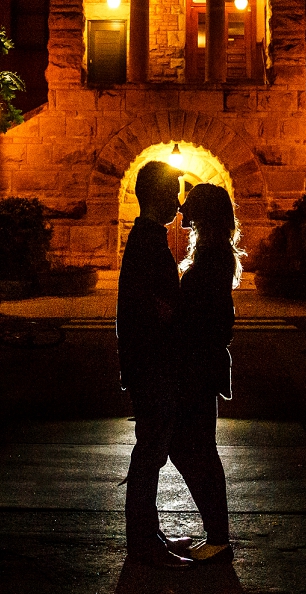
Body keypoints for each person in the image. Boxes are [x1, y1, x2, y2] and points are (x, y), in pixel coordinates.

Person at [116, 160, 192, 569]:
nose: (179, 204)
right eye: (174, 193)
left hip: (145, 364)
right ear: (158, 195)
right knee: (149, 454)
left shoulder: (144, 238)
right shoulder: (149, 243)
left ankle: (149, 534)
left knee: (150, 453)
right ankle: (144, 543)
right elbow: (160, 311)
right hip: (154, 366)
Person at [169, 182, 242, 564]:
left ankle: (218, 536)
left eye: (190, 206)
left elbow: (210, 318)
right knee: (196, 449)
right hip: (202, 367)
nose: (183, 212)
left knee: (191, 448)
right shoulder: (215, 253)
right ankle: (216, 533)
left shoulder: (211, 258)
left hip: (197, 368)